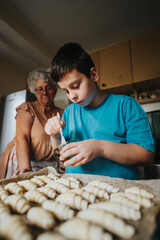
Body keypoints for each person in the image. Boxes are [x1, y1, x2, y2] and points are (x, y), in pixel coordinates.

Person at [45, 43, 155, 180]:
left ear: (93, 74)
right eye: (66, 91)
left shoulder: (126, 106)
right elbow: (61, 155)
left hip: (119, 191)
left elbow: (146, 155)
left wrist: (100, 148)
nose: (72, 96)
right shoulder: (69, 112)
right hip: (76, 189)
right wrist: (54, 135)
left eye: (75, 86)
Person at [0, 68, 64, 179]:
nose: (44, 92)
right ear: (34, 90)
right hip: (27, 161)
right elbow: (22, 137)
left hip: (52, 166)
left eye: (48, 88)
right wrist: (25, 170)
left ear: (55, 89)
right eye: (40, 89)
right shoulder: (27, 107)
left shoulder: (62, 113)